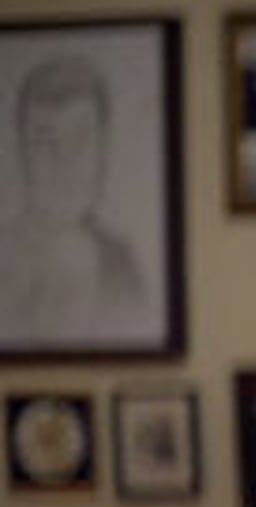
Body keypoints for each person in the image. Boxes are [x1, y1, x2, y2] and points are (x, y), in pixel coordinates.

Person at [0, 53, 153, 348]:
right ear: (21, 151)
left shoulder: (123, 264)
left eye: (80, 139)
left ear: (103, 149)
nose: (64, 160)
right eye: (44, 141)